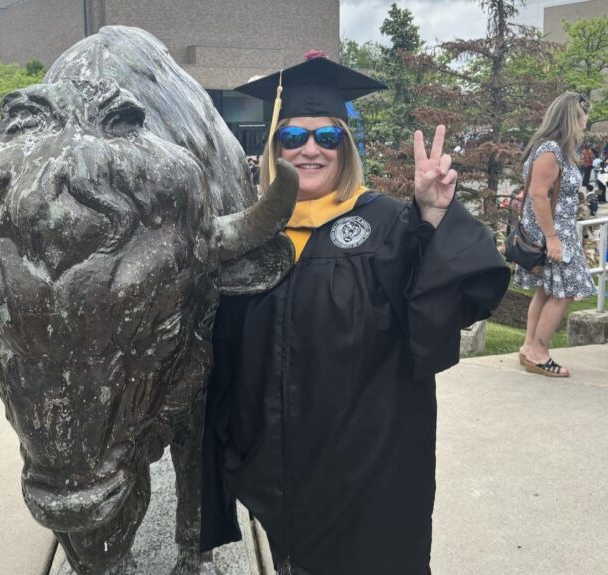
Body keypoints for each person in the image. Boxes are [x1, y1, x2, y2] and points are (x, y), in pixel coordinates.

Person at [200, 55, 510, 574]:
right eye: (293, 136)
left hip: (368, 478)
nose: (310, 149)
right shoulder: (250, 237)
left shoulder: (389, 225)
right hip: (278, 476)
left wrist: (433, 217)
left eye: (328, 138)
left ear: (347, 148)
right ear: (274, 148)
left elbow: (458, 302)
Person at [513, 92, 597, 377]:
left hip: (553, 232)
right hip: (554, 234)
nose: (586, 124)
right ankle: (539, 352)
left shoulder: (549, 148)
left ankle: (528, 347)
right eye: (584, 118)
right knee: (566, 291)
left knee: (546, 290)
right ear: (572, 118)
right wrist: (552, 237)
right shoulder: (551, 150)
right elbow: (537, 195)